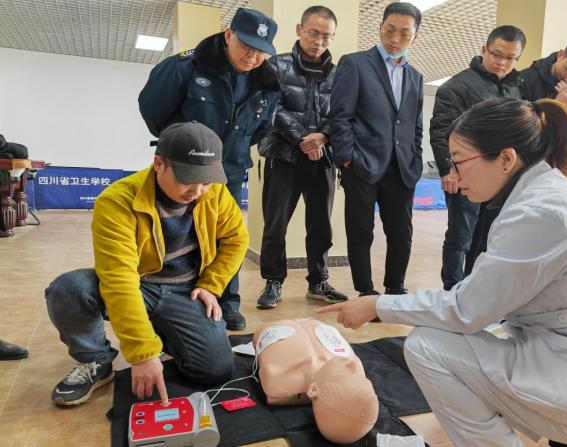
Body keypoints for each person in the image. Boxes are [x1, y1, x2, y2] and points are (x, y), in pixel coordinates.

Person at [319, 98, 567, 446]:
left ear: (506, 159)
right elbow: (487, 301)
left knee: (428, 346)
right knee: (458, 339)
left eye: (459, 161)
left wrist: (377, 305)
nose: (454, 174)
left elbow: (467, 310)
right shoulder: (543, 195)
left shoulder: (542, 211)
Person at [46, 122, 248, 407]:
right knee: (70, 288)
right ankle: (96, 360)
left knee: (216, 370)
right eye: (188, 179)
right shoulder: (117, 201)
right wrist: (142, 354)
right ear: (158, 164)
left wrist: (210, 285)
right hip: (139, 284)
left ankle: (166, 337)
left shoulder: (214, 193)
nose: (197, 190)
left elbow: (236, 239)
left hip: (185, 291)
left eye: (206, 181)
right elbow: (119, 278)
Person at [138, 7, 280, 330]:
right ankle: (172, 299)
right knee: (176, 234)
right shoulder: (187, 66)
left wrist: (231, 151)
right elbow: (152, 111)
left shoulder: (268, 82)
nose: (252, 55)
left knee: (226, 236)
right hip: (182, 171)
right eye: (246, 45)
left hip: (228, 172)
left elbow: (261, 129)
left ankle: (227, 302)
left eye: (260, 51)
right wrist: (180, 148)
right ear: (229, 35)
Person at [329, 2, 424, 297]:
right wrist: (346, 159)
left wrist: (416, 158)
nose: (395, 39)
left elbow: (415, 126)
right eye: (389, 30)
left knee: (401, 234)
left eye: (404, 33)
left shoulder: (416, 77)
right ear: (380, 27)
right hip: (362, 165)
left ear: (415, 36)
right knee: (360, 233)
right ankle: (366, 291)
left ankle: (395, 289)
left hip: (402, 168)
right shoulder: (355, 64)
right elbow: (340, 116)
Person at [256, 6, 347, 309]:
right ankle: (273, 281)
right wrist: (301, 139)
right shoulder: (275, 66)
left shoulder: (339, 74)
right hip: (283, 157)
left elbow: (344, 113)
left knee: (321, 225)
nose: (319, 41)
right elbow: (271, 107)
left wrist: (323, 137)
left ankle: (318, 281)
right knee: (275, 225)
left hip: (323, 159)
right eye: (313, 33)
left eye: (327, 36)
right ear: (299, 30)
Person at [429, 25, 526, 290]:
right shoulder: (457, 86)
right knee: (461, 237)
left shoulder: (515, 88)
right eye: (496, 54)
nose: (502, 62)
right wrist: (448, 170)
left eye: (510, 58)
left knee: (487, 238)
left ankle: (474, 289)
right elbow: (441, 131)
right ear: (484, 50)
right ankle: (451, 291)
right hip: (465, 175)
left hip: (500, 178)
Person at [254, 318, 378, 443]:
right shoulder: (354, 363)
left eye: (346, 376)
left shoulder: (279, 377)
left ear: (313, 390)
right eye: (361, 378)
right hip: (314, 321)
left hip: (274, 325)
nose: (352, 365)